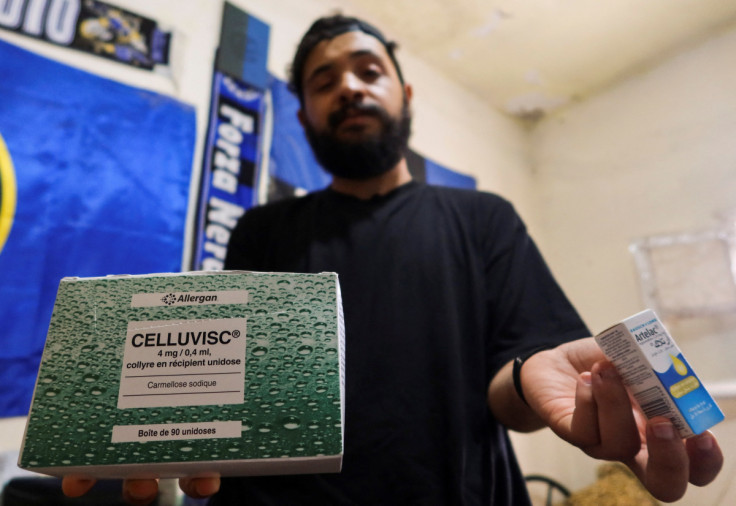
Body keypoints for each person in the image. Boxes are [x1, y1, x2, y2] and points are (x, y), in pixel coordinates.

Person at [64, 14, 723, 505]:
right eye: (325, 82)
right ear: (303, 116)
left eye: (368, 71)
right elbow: (231, 384)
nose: (348, 87)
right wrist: (157, 417)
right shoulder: (263, 230)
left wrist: (530, 378)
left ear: (406, 95)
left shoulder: (482, 218)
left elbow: (515, 385)